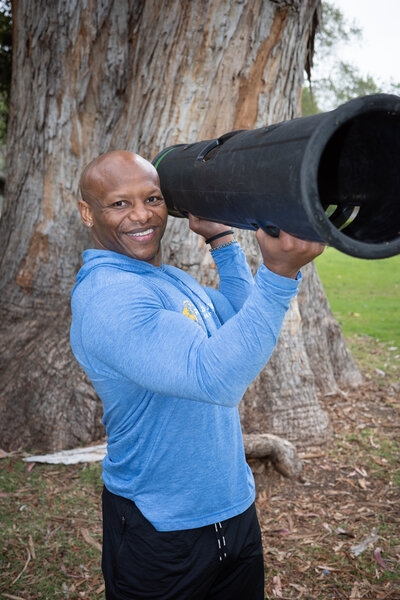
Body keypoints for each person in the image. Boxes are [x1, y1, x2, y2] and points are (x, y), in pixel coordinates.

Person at [70, 150, 324, 600]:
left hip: (232, 510)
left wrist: (223, 240)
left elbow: (241, 323)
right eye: (119, 204)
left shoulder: (168, 279)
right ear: (87, 212)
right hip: (161, 526)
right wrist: (279, 271)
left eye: (152, 198)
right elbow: (216, 380)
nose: (142, 215)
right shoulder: (109, 299)